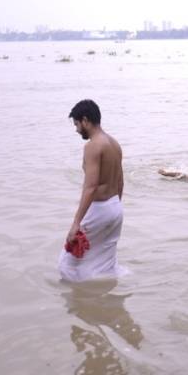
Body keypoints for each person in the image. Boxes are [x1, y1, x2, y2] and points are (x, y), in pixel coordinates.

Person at [59, 99, 125, 282]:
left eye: (77, 124)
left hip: (99, 209)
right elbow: (120, 181)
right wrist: (115, 207)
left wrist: (76, 223)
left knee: (67, 263)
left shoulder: (93, 146)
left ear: (85, 120)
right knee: (106, 263)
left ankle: (84, 304)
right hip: (115, 207)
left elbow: (90, 187)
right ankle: (107, 299)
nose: (77, 129)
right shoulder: (114, 144)